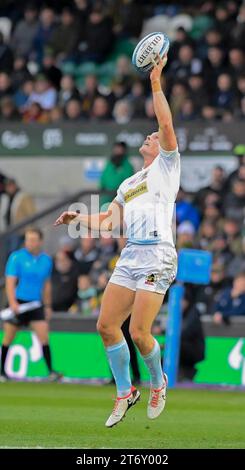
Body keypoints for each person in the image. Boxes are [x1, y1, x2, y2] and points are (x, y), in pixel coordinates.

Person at [54, 55, 180, 426]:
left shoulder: (167, 165)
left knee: (140, 333)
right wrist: (80, 217)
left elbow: (166, 121)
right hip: (131, 256)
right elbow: (109, 220)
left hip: (158, 255)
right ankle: (125, 392)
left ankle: (157, 381)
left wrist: (155, 82)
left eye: (153, 138)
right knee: (107, 326)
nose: (151, 137)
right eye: (150, 137)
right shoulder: (128, 182)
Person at [0, 228, 62, 382]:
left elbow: (46, 285)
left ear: (40, 241)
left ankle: (50, 371)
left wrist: (47, 305)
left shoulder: (46, 260)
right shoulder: (16, 257)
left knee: (43, 336)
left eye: (33, 240)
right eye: (28, 240)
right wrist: (13, 302)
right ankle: (2, 372)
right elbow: (10, 282)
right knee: (8, 337)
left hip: (35, 304)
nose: (30, 243)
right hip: (19, 302)